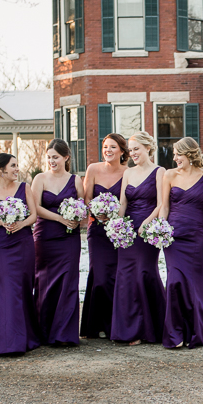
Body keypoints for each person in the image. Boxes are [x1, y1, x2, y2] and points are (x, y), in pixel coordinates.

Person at [160, 137, 203, 349]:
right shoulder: (169, 175)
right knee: (175, 283)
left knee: (195, 286)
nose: (175, 158)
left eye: (178, 154)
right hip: (173, 238)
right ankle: (175, 334)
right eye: (174, 154)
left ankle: (198, 333)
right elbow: (164, 207)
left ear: (190, 154)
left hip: (197, 237)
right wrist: (161, 230)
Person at [111, 131, 166, 345]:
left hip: (148, 230)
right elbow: (123, 203)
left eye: (137, 149)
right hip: (127, 231)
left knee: (144, 272)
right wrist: (118, 224)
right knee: (125, 275)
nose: (133, 153)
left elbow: (162, 203)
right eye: (131, 150)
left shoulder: (159, 171)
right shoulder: (127, 173)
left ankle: (150, 328)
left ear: (148, 148)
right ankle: (128, 330)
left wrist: (147, 222)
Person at [0, 153, 40, 356]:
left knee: (25, 288)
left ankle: (28, 338)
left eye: (17, 165)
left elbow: (33, 215)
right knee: (9, 289)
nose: (17, 169)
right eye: (13, 166)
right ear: (1, 169)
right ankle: (10, 342)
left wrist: (20, 224)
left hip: (23, 241)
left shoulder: (24, 188)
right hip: (3, 244)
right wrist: (3, 223)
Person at [31, 139, 84, 346]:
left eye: (56, 157)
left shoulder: (75, 180)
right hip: (45, 236)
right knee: (44, 282)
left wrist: (76, 217)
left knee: (68, 282)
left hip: (69, 238)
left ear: (66, 157)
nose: (52, 161)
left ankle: (64, 334)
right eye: (49, 157)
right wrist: (60, 218)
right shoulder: (40, 179)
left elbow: (83, 206)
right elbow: (35, 207)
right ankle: (43, 331)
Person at [80, 133, 128, 339]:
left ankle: (114, 326)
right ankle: (95, 324)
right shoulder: (93, 169)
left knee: (116, 276)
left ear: (122, 151)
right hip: (98, 230)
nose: (108, 150)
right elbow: (87, 197)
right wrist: (96, 211)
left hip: (118, 231)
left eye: (113, 147)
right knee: (99, 276)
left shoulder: (129, 172)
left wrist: (115, 216)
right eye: (105, 146)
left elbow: (128, 201)